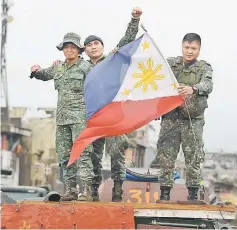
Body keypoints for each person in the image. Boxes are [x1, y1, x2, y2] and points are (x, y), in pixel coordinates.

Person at [30, 32, 94, 201]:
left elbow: (99, 85)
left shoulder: (85, 67)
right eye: (66, 47)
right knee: (65, 155)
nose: (69, 50)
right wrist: (35, 71)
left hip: (80, 117)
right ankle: (71, 190)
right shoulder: (58, 67)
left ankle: (87, 190)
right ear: (63, 50)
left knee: (84, 153)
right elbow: (44, 75)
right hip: (62, 119)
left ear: (79, 50)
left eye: (73, 47)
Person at [156, 33, 213, 201]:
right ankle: (165, 192)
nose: (189, 51)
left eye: (193, 48)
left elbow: (208, 85)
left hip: (192, 120)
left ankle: (193, 194)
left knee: (193, 157)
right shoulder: (171, 64)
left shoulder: (204, 67)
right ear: (182, 47)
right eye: (186, 48)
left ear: (199, 49)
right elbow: (156, 80)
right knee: (166, 156)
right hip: (171, 118)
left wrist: (193, 89)